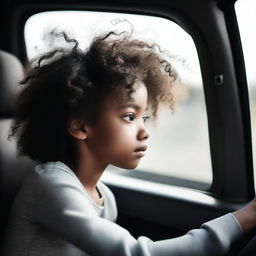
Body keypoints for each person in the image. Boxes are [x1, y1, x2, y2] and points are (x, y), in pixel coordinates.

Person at [1, 30, 256, 256]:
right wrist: (241, 219)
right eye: (130, 117)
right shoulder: (50, 185)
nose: (144, 132)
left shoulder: (105, 198)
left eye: (144, 117)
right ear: (80, 126)